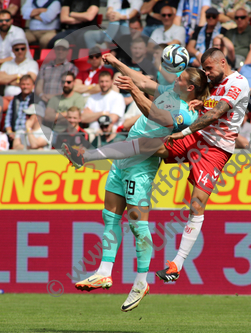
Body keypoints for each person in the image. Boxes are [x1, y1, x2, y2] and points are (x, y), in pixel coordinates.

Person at [64, 48, 249, 287]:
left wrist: (183, 129)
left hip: (214, 147)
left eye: (209, 68)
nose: (206, 72)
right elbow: (145, 82)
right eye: (203, 69)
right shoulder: (204, 84)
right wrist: (116, 61)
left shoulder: (238, 83)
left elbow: (217, 112)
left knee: (196, 203)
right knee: (148, 145)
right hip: (196, 135)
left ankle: (176, 265)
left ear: (223, 63)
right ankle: (87, 157)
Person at [63, 55, 207, 313]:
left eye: (182, 78)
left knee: (138, 225)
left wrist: (135, 91)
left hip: (142, 165)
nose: (176, 78)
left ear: (190, 88)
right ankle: (104, 271)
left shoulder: (185, 114)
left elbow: (154, 113)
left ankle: (141, 283)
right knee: (110, 218)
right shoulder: (170, 91)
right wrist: (115, 61)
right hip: (123, 161)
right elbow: (141, 79)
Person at [35, 39, 79, 105]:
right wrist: (41, 95)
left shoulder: (72, 68)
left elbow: (72, 88)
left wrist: (54, 97)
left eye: (63, 49)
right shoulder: (45, 67)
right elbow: (39, 84)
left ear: (67, 51)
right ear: (54, 50)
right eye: (58, 49)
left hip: (62, 102)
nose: (60, 51)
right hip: (44, 101)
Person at [5, 74, 35, 140]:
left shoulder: (36, 100)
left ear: (33, 86)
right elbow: (8, 119)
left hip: (30, 135)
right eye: (23, 84)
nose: (25, 87)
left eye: (28, 84)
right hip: (14, 135)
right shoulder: (14, 100)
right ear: (19, 85)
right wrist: (10, 132)